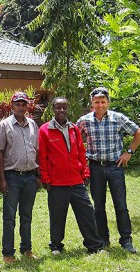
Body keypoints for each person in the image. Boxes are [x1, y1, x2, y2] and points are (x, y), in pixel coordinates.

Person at [76, 87, 140, 254]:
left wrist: (128, 153)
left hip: (115, 167)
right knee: (98, 206)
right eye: (97, 102)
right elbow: (75, 137)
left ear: (108, 102)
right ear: (92, 103)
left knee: (121, 205)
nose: (100, 105)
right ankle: (103, 238)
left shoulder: (118, 118)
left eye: (103, 102)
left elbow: (139, 133)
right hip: (95, 167)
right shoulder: (84, 121)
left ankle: (126, 240)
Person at [38, 97, 106, 255]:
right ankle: (56, 245)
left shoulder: (74, 129)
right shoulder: (45, 130)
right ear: (52, 109)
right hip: (57, 183)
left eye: (64, 108)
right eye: (58, 108)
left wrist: (85, 172)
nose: (61, 111)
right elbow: (43, 157)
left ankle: (94, 245)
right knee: (57, 216)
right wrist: (46, 179)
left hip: (76, 181)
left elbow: (81, 153)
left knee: (87, 214)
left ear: (67, 109)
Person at [0, 92, 40, 264]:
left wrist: (37, 174)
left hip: (30, 177)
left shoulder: (32, 125)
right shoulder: (4, 125)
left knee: (26, 216)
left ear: (28, 106)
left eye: (24, 104)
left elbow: (35, 150)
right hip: (12, 177)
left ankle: (26, 248)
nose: (21, 107)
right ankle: (8, 253)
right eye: (17, 104)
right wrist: (3, 179)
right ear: (12, 106)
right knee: (9, 217)